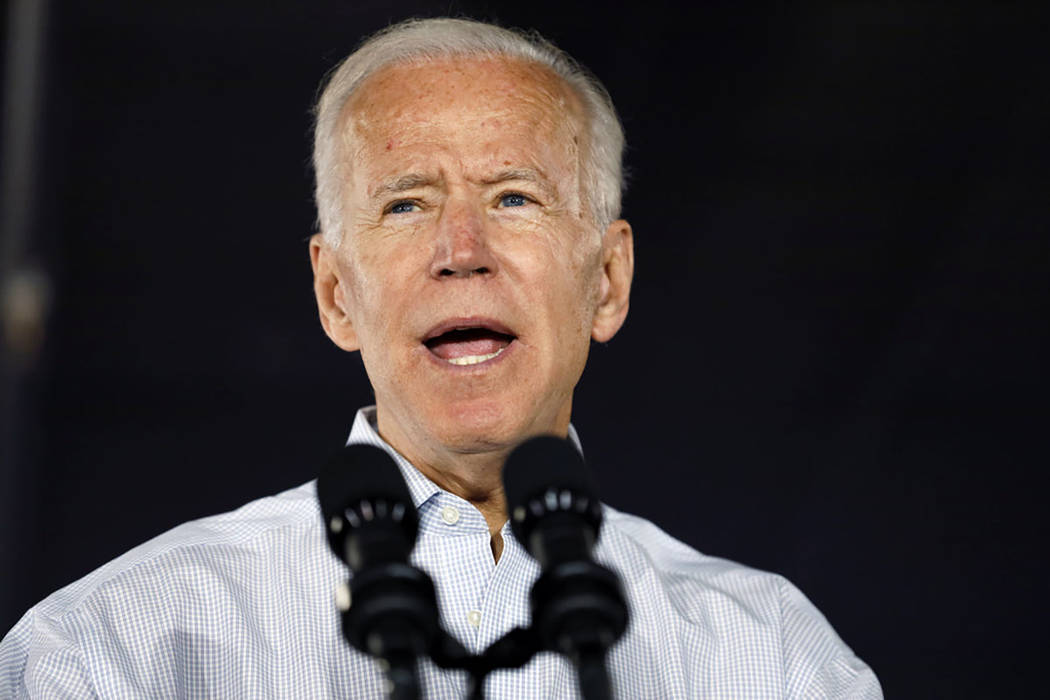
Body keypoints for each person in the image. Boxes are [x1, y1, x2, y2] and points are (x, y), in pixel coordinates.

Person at [1, 17, 881, 698]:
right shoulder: (123, 647)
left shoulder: (770, 658)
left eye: (513, 196)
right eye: (407, 206)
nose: (463, 248)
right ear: (336, 294)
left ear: (607, 281)